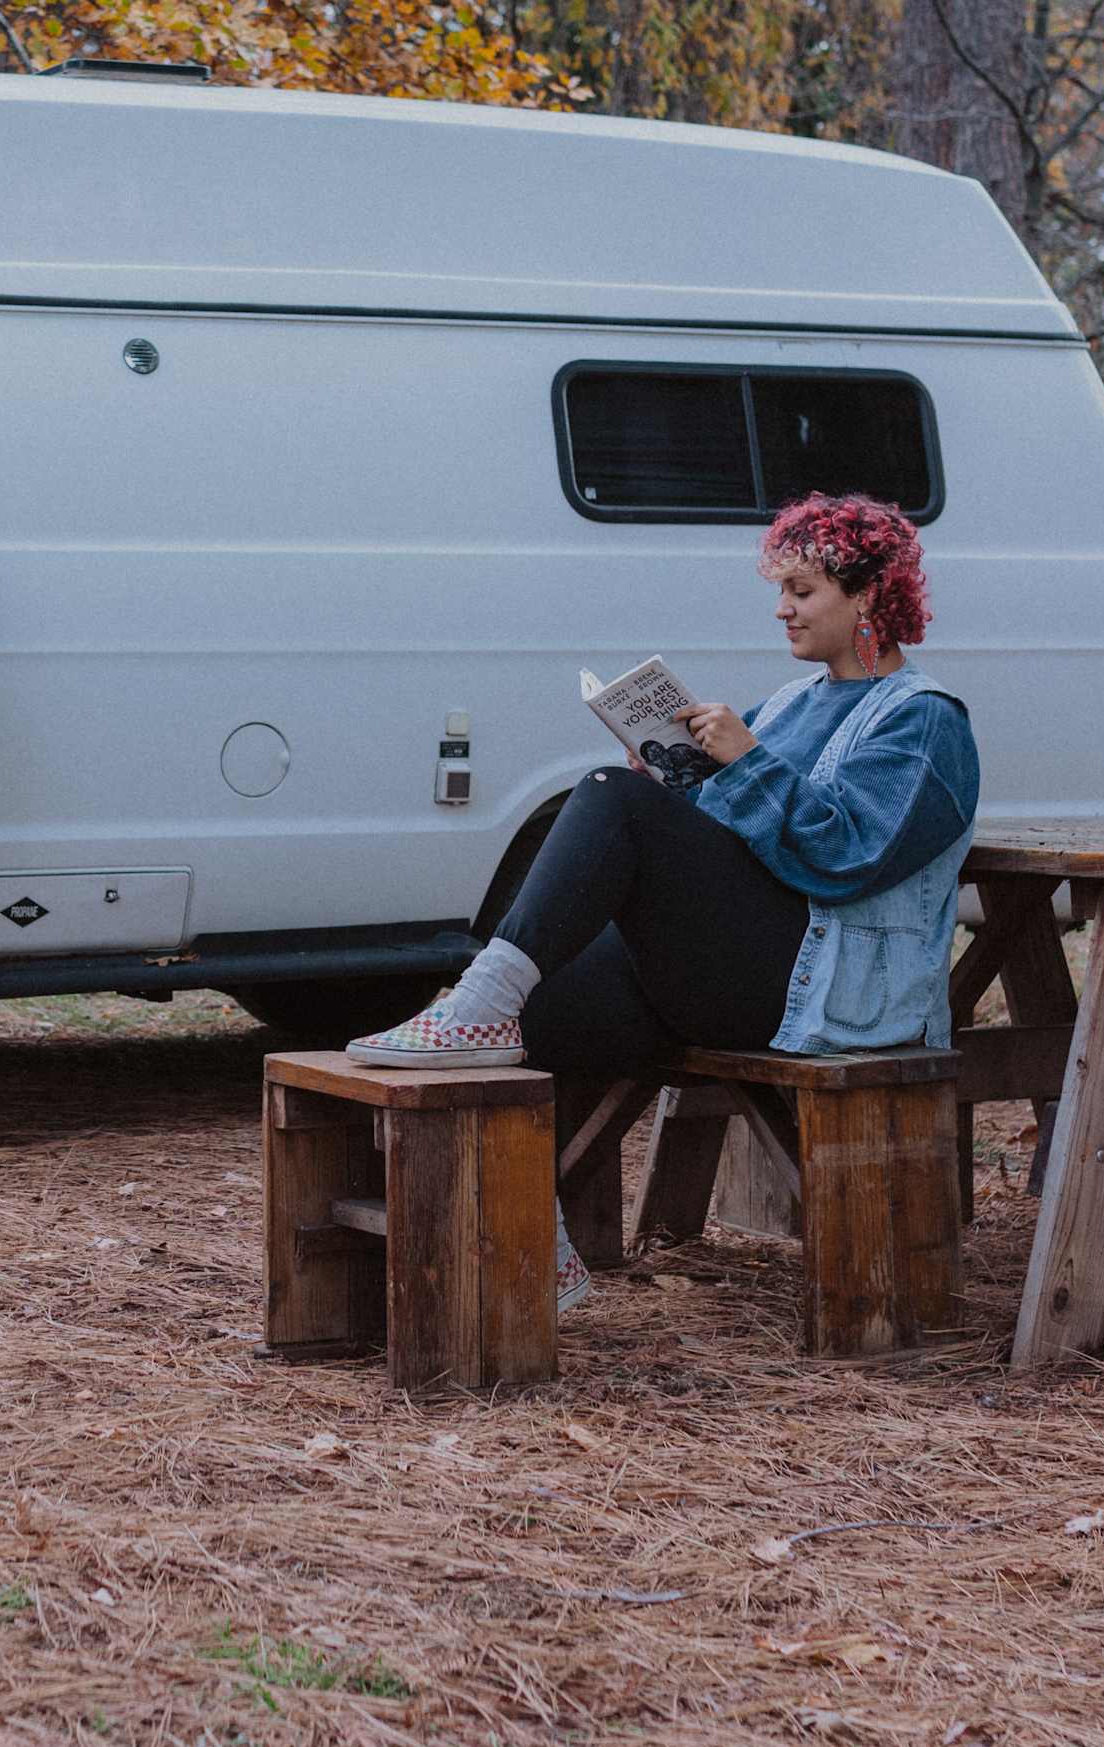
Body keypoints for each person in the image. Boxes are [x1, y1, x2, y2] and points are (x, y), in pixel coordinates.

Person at [345, 493, 980, 1282]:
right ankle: (532, 1243)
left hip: (822, 990)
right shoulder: (790, 704)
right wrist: (681, 779)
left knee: (611, 794)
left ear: (870, 596)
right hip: (743, 966)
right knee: (537, 1006)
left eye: (803, 592)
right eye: (779, 591)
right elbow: (736, 835)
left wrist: (741, 763)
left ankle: (478, 1005)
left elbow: (844, 857)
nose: (782, 610)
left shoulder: (922, 722)